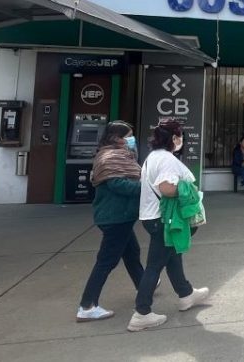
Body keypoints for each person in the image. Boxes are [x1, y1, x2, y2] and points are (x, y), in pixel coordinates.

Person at [129, 120, 209, 332]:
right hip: (164, 219)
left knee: (173, 256)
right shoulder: (167, 160)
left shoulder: (153, 157)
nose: (181, 140)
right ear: (173, 138)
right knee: (155, 264)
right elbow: (167, 188)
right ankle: (141, 312)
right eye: (180, 136)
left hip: (153, 216)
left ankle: (186, 294)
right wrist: (187, 189)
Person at [76, 121, 144, 323]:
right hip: (115, 216)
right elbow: (119, 185)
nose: (132, 139)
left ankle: (145, 286)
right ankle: (87, 305)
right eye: (128, 135)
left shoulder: (118, 155)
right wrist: (147, 187)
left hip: (122, 216)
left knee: (132, 253)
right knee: (106, 261)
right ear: (116, 138)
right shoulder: (109, 157)